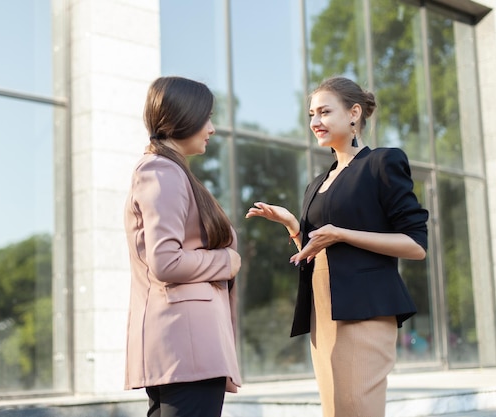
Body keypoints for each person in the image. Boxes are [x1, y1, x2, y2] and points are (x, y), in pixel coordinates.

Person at [245, 76, 428, 417]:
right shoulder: (317, 182)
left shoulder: (382, 164)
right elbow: (319, 247)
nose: (315, 122)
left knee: (359, 407)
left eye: (325, 112)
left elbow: (415, 245)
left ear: (354, 113)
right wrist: (293, 226)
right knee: (334, 409)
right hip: (323, 308)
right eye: (311, 114)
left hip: (366, 309)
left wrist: (344, 234)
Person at [124, 76, 242, 417]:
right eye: (206, 117)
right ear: (184, 117)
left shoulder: (169, 171)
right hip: (186, 347)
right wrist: (226, 261)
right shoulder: (162, 171)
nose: (212, 128)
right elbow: (165, 261)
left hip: (182, 347)